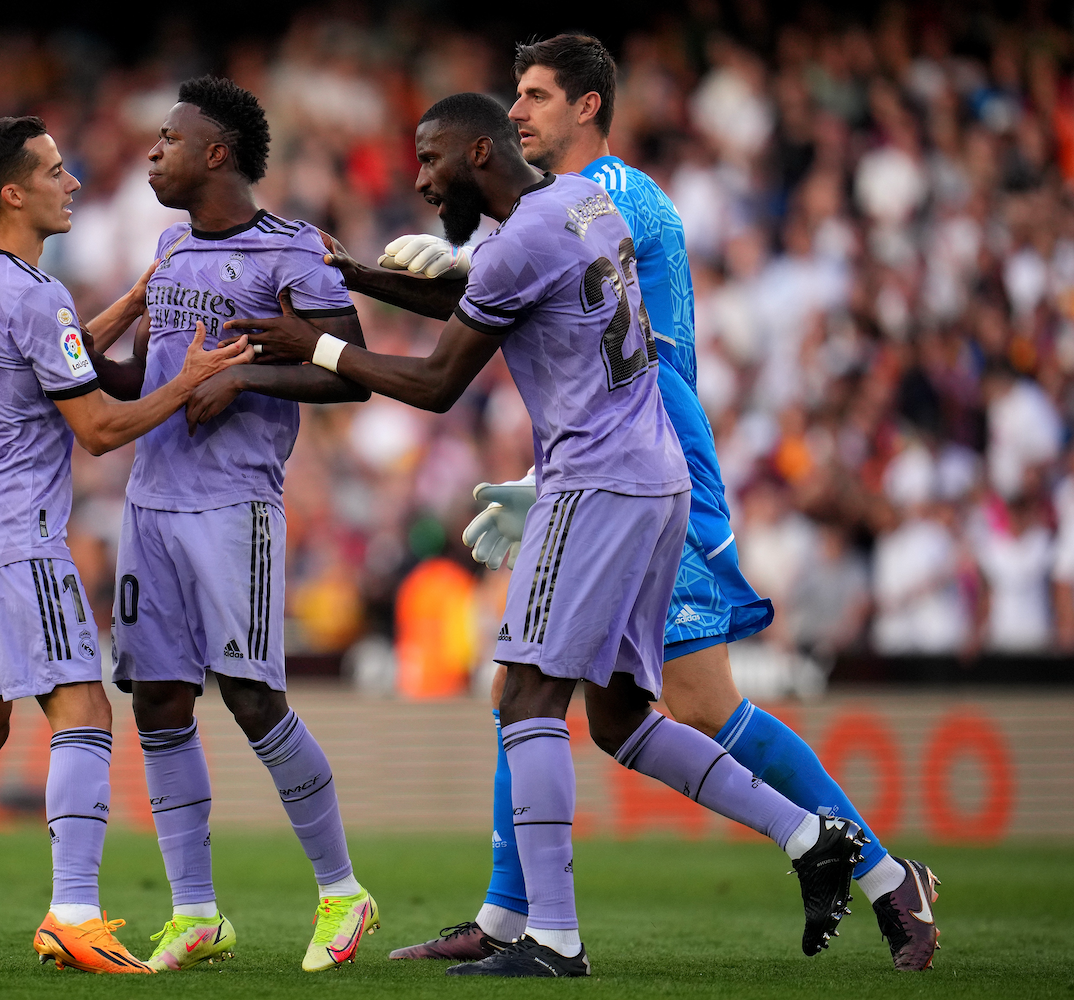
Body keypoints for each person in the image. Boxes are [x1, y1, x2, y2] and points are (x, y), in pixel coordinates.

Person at [233, 92, 864, 978]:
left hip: (596, 484)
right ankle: (809, 836)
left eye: (432, 159)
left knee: (526, 699)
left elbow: (438, 382)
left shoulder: (519, 237)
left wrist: (320, 346)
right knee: (615, 718)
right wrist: (360, 279)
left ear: (481, 152)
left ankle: (554, 940)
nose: (419, 178)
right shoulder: (579, 205)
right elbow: (488, 293)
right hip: (656, 479)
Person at [358, 34, 941, 974]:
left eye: (538, 96)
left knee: (677, 702)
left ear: (589, 107)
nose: (516, 113)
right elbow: (532, 313)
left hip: (649, 467)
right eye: (515, 96)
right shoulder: (569, 207)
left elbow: (565, 323)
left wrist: (446, 287)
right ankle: (512, 918)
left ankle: (874, 870)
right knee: (553, 686)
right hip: (623, 463)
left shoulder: (607, 198)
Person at [0, 115, 251, 974]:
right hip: (12, 526)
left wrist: (133, 303)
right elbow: (97, 427)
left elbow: (45, 359)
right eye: (56, 173)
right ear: (13, 193)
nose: (73, 183)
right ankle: (74, 911)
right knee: (83, 708)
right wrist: (189, 380)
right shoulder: (35, 293)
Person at [83, 77, 378, 974]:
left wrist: (243, 379)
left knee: (251, 699)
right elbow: (146, 380)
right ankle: (197, 912)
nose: (152, 151)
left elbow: (352, 371)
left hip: (234, 504)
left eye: (167, 138)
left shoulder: (293, 253)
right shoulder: (168, 249)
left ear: (217, 153)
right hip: (151, 503)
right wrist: (99, 360)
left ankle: (341, 890)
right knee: (160, 699)